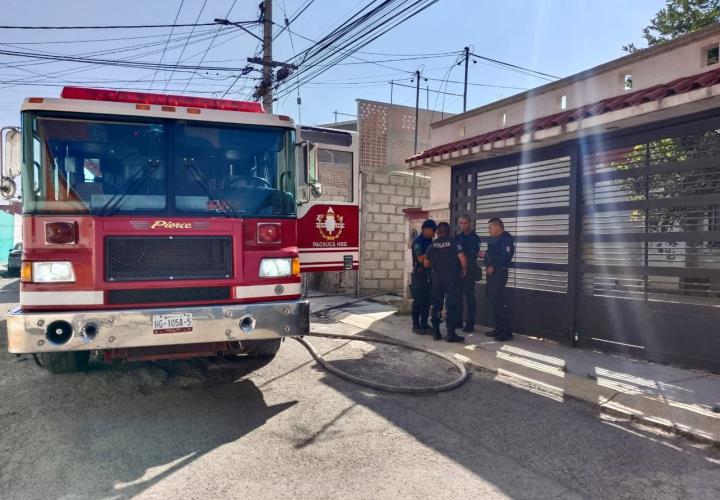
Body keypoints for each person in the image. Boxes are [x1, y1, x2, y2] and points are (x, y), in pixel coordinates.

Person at [424, 222, 468, 342]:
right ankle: (451, 333)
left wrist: (436, 264)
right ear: (449, 232)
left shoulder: (433, 245)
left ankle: (436, 332)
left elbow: (426, 263)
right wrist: (464, 270)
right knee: (451, 305)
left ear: (437, 232)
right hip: (451, 279)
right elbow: (463, 259)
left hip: (437, 278)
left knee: (436, 305)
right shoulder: (454, 243)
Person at [483, 217, 515, 341]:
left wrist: (494, 267)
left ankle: (506, 332)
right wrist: (485, 255)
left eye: (490, 227)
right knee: (494, 303)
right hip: (493, 275)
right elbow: (493, 255)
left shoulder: (506, 238)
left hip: (499, 274)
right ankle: (498, 329)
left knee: (499, 303)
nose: (489, 230)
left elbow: (506, 257)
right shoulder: (496, 240)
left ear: (497, 227)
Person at [456, 215, 482, 333]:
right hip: (459, 272)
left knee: (470, 298)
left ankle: (470, 324)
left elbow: (472, 255)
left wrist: (465, 267)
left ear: (469, 223)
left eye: (465, 223)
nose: (463, 225)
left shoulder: (474, 238)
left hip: (470, 271)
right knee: (458, 298)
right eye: (461, 223)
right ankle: (458, 321)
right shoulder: (457, 237)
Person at [410, 219, 436, 334]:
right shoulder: (418, 242)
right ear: (425, 229)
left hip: (429, 274)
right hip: (419, 274)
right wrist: (431, 252)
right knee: (418, 300)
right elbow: (420, 258)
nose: (434, 232)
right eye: (433, 230)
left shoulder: (431, 240)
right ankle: (416, 325)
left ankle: (424, 324)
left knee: (427, 300)